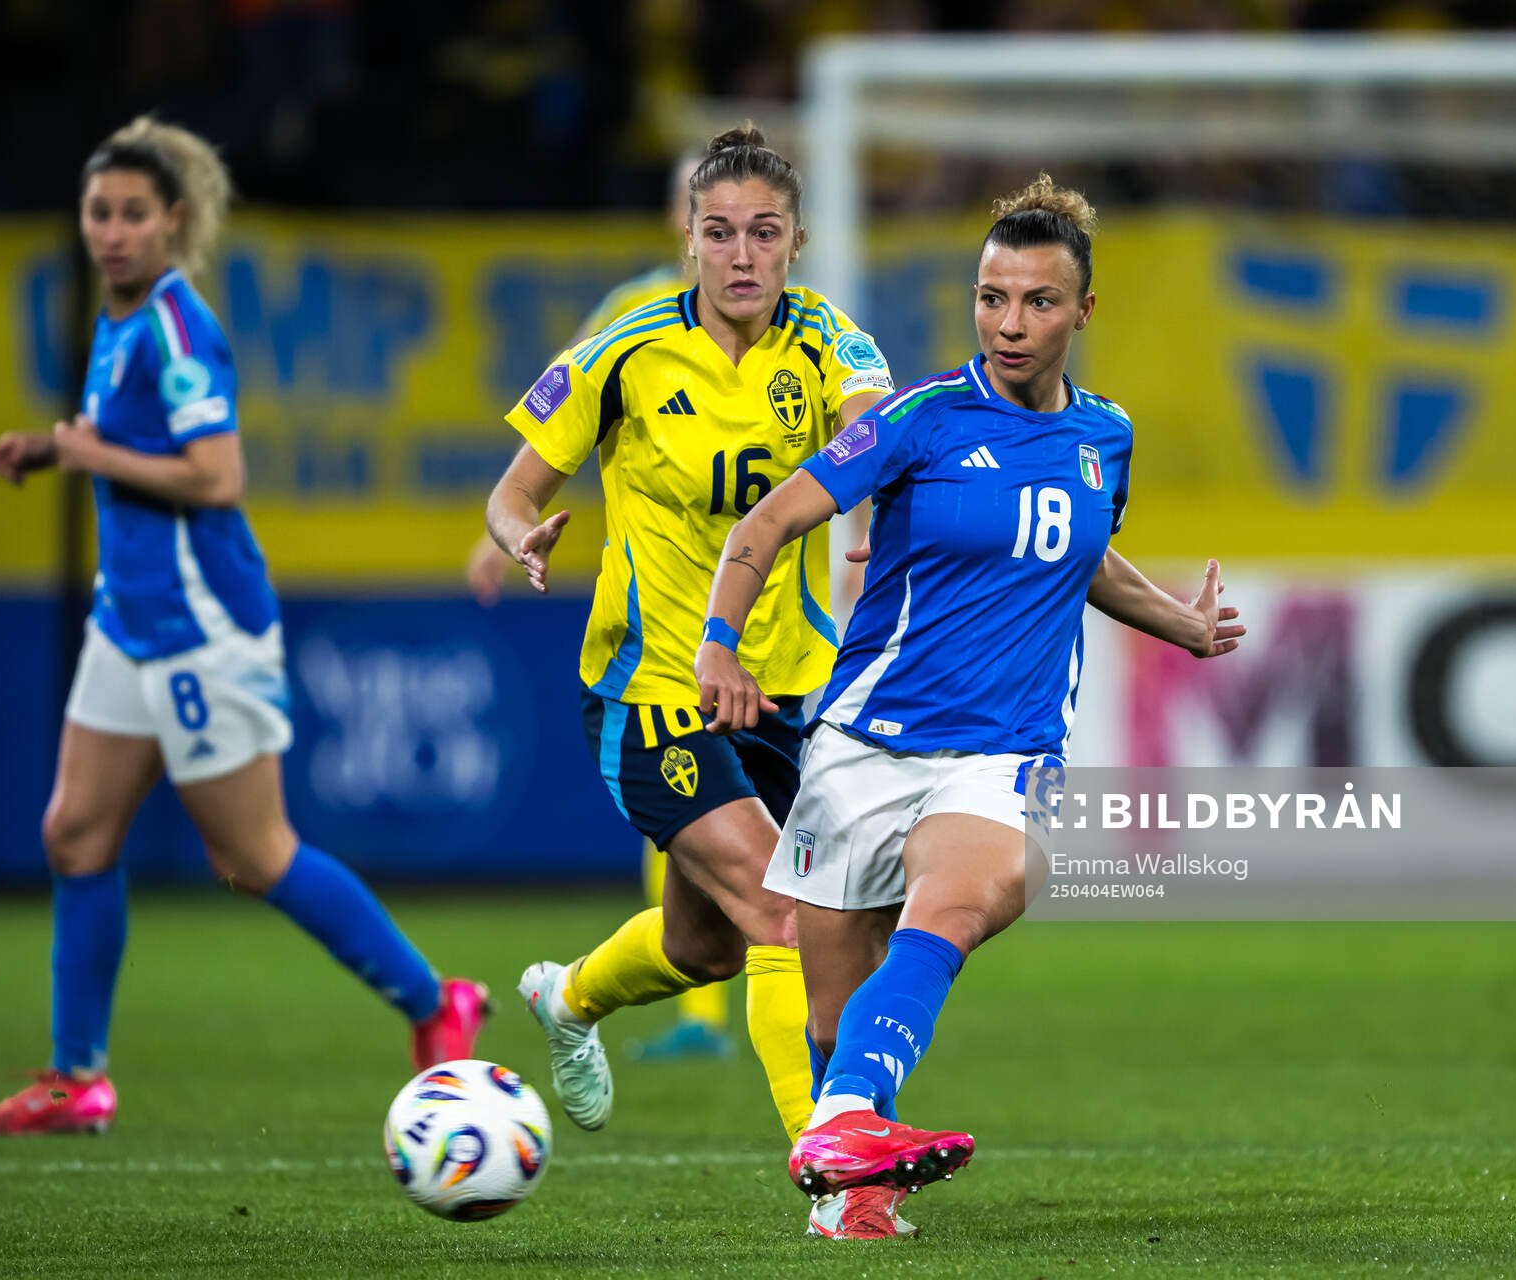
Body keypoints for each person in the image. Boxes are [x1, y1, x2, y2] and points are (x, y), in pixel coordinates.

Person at [693, 175, 1245, 1213]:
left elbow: (1074, 551)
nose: (1010, 322)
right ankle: (849, 1181)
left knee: (953, 904)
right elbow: (761, 526)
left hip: (1005, 750)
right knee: (832, 1011)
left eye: (1038, 301)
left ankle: (848, 1119)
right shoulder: (916, 419)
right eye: (992, 297)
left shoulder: (1106, 435)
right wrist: (720, 643)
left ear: (1085, 309)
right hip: (864, 742)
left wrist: (1177, 619)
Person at [0, 117, 488, 1136]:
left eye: (132, 214)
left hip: (204, 624)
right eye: (98, 211)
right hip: (130, 616)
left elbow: (217, 475)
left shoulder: (174, 325)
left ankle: (435, 999)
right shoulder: (116, 325)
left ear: (174, 223)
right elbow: (120, 445)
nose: (111, 232)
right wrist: (52, 449)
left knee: (254, 854)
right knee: (74, 830)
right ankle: (80, 1078)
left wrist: (87, 456)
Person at [486, 124, 910, 1239]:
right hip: (648, 691)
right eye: (719, 232)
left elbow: (875, 432)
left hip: (787, 690)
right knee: (784, 911)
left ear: (796, 243)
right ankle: (840, 1181)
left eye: (764, 234)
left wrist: (879, 519)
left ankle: (568, 996)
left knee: (708, 943)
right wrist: (524, 535)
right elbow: (511, 491)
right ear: (689, 238)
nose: (740, 255)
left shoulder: (831, 345)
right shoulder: (624, 350)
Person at [464, 155, 735, 1064]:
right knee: (771, 889)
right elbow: (551, 440)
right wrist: (503, 529)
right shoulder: (628, 319)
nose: (735, 239)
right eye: (705, 207)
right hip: (662, 634)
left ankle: (597, 998)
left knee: (769, 898)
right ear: (679, 214)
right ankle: (837, 1156)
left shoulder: (801, 333)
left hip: (776, 648)